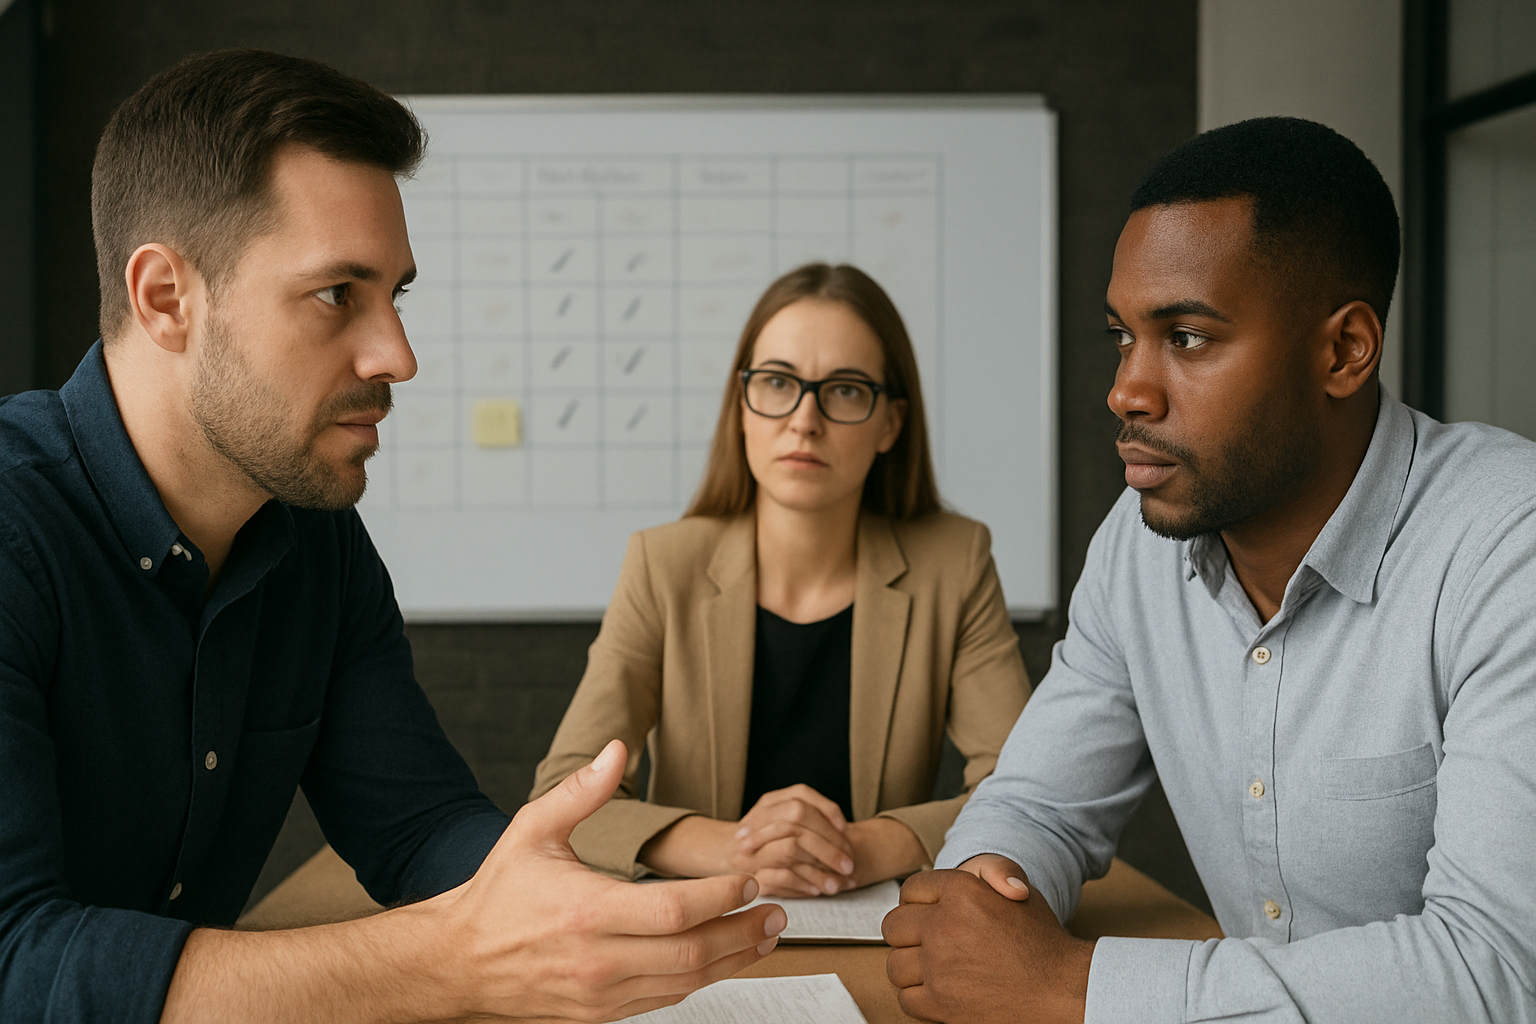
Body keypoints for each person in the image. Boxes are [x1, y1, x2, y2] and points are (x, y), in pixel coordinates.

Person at [0, 49, 786, 1024]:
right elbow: (14, 965)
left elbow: (417, 828)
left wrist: (575, 910)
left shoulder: (312, 542)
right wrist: (453, 958)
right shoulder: (13, 535)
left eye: (396, 295)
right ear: (167, 298)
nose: (398, 356)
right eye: (339, 294)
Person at [883, 116, 1536, 1023]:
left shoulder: (1511, 546)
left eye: (1186, 336)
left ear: (1344, 351)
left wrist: (1071, 986)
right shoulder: (1135, 543)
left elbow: (1498, 972)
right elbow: (1039, 801)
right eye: (1123, 336)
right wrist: (984, 895)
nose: (1126, 391)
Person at [531, 263, 1032, 897]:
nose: (804, 420)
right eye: (777, 382)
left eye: (846, 390)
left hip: (879, 929)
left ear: (890, 424)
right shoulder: (664, 565)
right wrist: (736, 848)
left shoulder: (953, 563)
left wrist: (866, 845)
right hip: (700, 928)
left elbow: (1027, 791)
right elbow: (564, 795)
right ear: (741, 406)